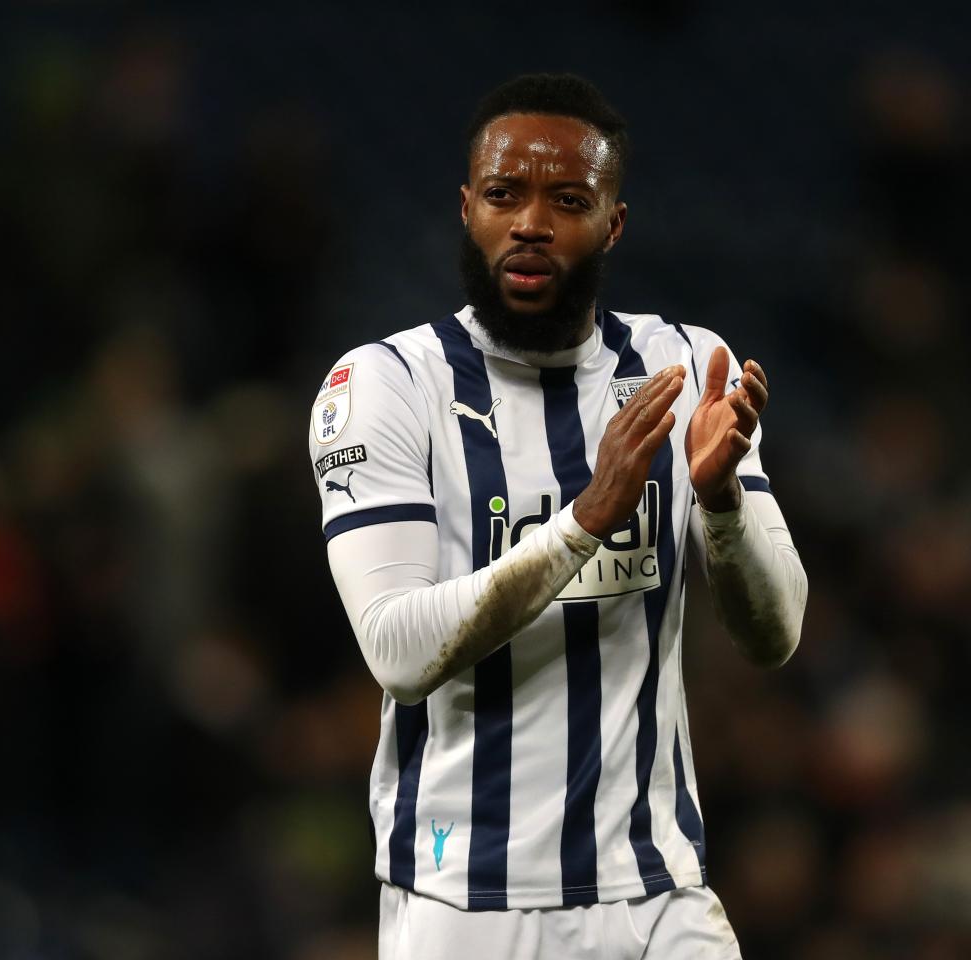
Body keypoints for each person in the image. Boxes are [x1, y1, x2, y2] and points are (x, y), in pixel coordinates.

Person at [309, 73, 807, 960]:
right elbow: (397, 651)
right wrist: (586, 520)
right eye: (505, 194)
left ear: (612, 223)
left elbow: (777, 634)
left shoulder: (687, 366)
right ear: (468, 209)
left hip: (658, 892)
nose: (531, 222)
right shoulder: (384, 386)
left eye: (567, 199)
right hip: (464, 903)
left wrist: (723, 503)